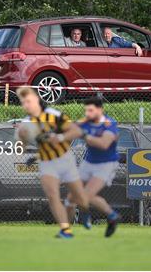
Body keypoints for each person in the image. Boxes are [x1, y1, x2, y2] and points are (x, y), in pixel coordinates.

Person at [16, 87, 89, 239]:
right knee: (52, 195)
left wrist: (60, 138)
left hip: (65, 160)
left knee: (79, 197)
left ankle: (78, 211)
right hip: (47, 162)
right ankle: (65, 230)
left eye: (28, 101)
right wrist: (22, 139)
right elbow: (20, 148)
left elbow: (76, 131)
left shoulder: (54, 115)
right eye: (23, 102)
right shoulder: (26, 123)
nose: (26, 105)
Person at [66, 97, 121, 237]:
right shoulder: (85, 122)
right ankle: (66, 230)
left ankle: (112, 216)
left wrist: (85, 135)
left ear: (100, 109)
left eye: (91, 110)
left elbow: (104, 144)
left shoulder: (109, 124)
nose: (88, 113)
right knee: (71, 198)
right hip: (88, 162)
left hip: (106, 164)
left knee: (86, 195)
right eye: (86, 110)